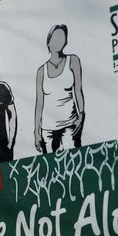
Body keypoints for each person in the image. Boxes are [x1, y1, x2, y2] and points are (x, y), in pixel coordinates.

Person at [33, 24, 85, 154]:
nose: (59, 40)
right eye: (55, 37)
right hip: (47, 131)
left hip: (70, 126)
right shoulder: (41, 71)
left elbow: (78, 90)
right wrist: (36, 132)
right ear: (48, 42)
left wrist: (81, 115)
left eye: (62, 37)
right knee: (52, 169)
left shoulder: (73, 61)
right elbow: (39, 103)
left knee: (73, 163)